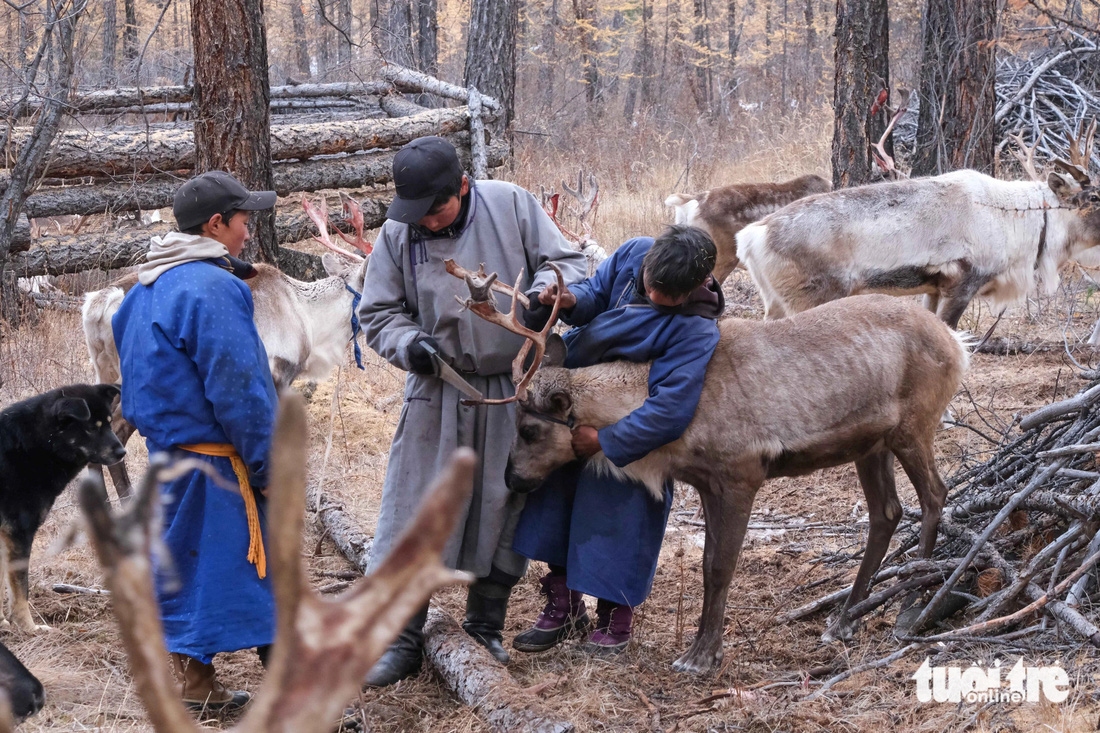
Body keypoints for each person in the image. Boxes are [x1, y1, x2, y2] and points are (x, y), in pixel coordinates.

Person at [358, 136, 587, 686]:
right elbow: (378, 312)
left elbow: (568, 265)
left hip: (515, 391)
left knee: (505, 505)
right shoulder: (399, 232)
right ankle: (403, 639)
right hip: (437, 390)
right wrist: (409, 344)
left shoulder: (510, 203)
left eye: (437, 211)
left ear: (463, 186)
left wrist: (544, 290)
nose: (428, 225)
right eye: (418, 215)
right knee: (413, 511)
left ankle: (484, 626)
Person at [511, 225, 724, 655]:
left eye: (668, 298)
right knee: (556, 506)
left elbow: (670, 408)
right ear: (648, 265)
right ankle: (564, 607)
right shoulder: (635, 253)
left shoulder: (696, 331)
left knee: (617, 522)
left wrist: (607, 441)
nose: (655, 298)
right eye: (651, 288)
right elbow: (596, 292)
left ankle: (615, 620)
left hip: (628, 442)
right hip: (570, 405)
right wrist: (572, 301)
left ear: (698, 286)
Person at [112, 171, 279, 711]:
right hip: (218, 469)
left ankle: (195, 685)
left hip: (168, 464)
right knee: (266, 574)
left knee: (183, 568)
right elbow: (242, 392)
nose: (247, 234)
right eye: (243, 222)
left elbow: (134, 388)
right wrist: (269, 468)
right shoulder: (214, 288)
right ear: (216, 224)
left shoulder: (141, 291)